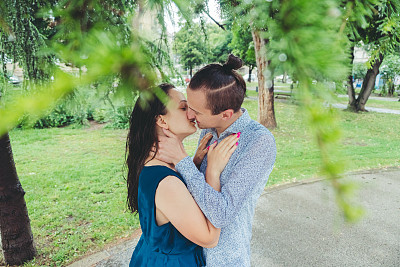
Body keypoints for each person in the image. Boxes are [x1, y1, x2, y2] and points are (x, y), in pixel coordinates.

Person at [155, 54, 277, 266]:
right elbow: (197, 191)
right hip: (190, 252)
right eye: (188, 106)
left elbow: (222, 214)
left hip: (224, 259)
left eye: (196, 111)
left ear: (226, 114)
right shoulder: (210, 129)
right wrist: (193, 164)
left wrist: (182, 160)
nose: (190, 116)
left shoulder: (259, 143)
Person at [125, 83, 240, 266]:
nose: (191, 114)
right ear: (162, 121)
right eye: (183, 107)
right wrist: (212, 171)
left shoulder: (155, 162)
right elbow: (209, 239)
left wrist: (191, 164)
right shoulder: (166, 182)